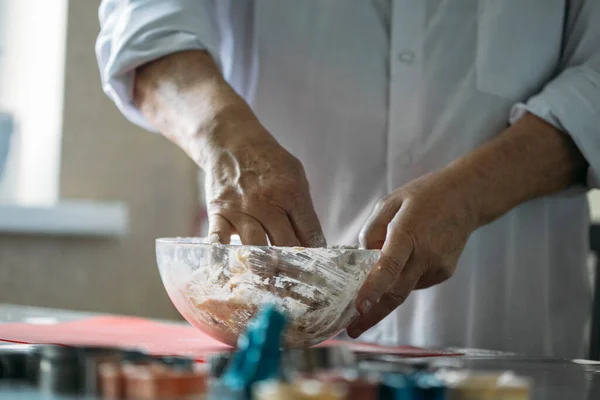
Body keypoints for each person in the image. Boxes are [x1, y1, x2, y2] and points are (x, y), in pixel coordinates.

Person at [96, 1, 600, 358]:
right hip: (276, 362)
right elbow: (143, 22)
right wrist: (227, 141)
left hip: (514, 341)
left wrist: (471, 195)